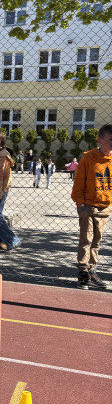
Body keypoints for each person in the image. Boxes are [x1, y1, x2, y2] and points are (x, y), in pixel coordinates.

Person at [71, 123, 112, 290]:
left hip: (105, 207)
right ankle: (83, 273)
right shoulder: (88, 158)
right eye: (110, 139)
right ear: (100, 140)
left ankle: (92, 270)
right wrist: (80, 204)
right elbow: (78, 183)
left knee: (96, 241)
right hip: (88, 206)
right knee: (86, 240)